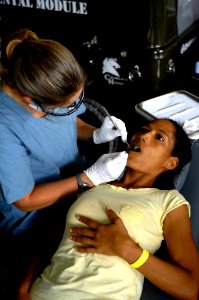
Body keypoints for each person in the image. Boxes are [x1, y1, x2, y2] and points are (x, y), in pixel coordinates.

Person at [0, 28, 128, 297]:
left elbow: (71, 121)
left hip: (74, 189)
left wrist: (95, 134)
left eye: (76, 100)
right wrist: (87, 179)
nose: (73, 107)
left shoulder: (48, 79)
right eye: (64, 104)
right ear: (30, 101)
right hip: (33, 215)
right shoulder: (4, 125)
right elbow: (24, 200)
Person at [19, 118, 199, 300]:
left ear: (170, 163)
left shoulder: (169, 201)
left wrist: (128, 250)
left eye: (159, 137)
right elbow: (50, 241)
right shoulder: (93, 183)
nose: (143, 135)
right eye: (143, 129)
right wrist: (23, 287)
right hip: (43, 293)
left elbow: (192, 288)